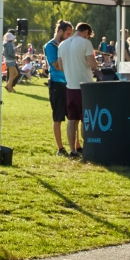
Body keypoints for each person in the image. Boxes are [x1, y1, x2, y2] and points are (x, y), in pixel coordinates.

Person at [58, 22, 98, 158]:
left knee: (71, 119)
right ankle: (86, 148)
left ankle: (72, 150)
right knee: (84, 118)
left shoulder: (62, 44)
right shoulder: (85, 43)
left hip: (70, 86)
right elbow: (93, 65)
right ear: (86, 32)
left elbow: (61, 66)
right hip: (85, 86)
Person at [45, 20, 74, 156]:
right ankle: (61, 148)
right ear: (60, 31)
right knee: (58, 117)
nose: (69, 37)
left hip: (69, 82)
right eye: (68, 34)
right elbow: (56, 65)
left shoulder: (66, 46)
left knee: (73, 116)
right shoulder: (50, 46)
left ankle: (75, 147)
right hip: (57, 84)